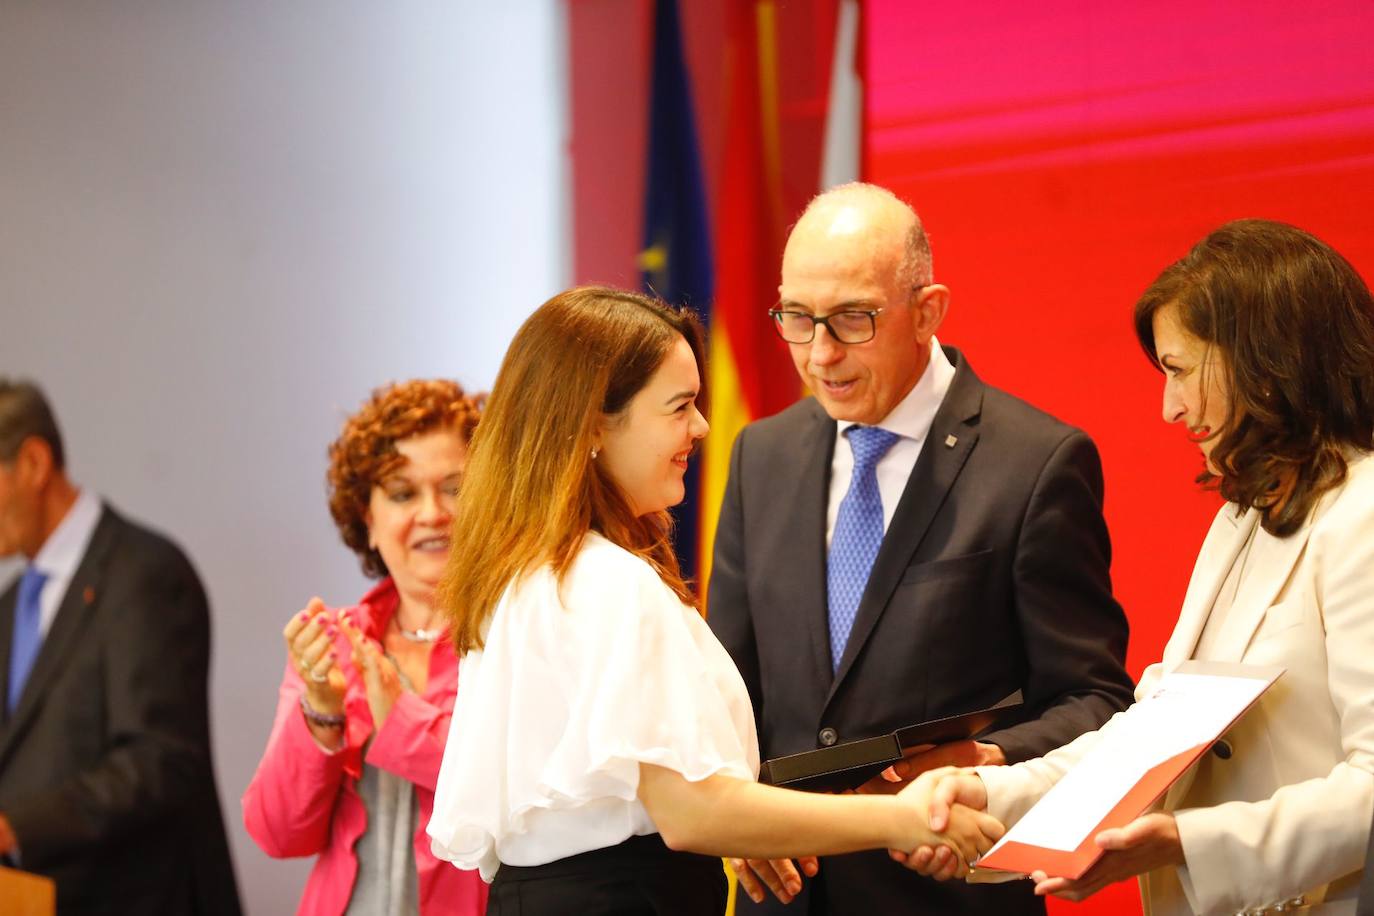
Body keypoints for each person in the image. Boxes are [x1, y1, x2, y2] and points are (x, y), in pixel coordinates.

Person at [426, 286, 1004, 916]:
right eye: (678, 407)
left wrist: (756, 824)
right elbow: (690, 811)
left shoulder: (530, 573)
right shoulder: (609, 581)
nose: (701, 427)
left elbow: (653, 796)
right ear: (593, 422)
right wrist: (901, 818)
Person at [918, 219, 1374, 915]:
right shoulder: (1241, 519)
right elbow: (1150, 736)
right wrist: (991, 794)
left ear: (1268, 359)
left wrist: (1192, 843)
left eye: (1180, 370)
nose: (1169, 408)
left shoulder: (1363, 513)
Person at [706, 182, 1137, 915]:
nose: (820, 355)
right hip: (785, 895)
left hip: (947, 895)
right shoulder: (760, 455)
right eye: (798, 320)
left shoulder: (1034, 463)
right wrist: (735, 809)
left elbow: (1093, 701)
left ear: (929, 310)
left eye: (852, 320)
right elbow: (725, 691)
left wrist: (984, 761)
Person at [243, 380, 487, 916]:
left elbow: (502, 803)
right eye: (402, 493)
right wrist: (322, 714)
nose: (432, 513)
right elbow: (278, 833)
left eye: (454, 487)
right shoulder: (334, 640)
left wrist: (399, 718)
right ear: (368, 520)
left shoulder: (513, 633)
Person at [0, 380, 241, 915]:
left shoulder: (144, 573)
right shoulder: (11, 600)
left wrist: (16, 825)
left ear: (34, 464)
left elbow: (160, 760)